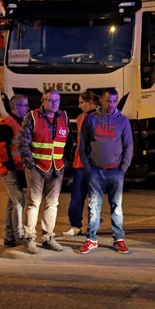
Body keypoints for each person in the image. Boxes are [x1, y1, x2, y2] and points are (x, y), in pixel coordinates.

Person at [78, 87, 133, 254]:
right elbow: (82, 144)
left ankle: (118, 239)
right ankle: (92, 239)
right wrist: (88, 167)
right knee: (94, 206)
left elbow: (129, 145)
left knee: (117, 207)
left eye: (114, 101)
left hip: (115, 171)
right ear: (101, 101)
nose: (111, 104)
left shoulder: (123, 121)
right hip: (96, 171)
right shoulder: (91, 119)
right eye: (108, 100)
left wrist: (122, 168)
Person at [18, 89, 70, 254]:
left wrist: (64, 162)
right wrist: (31, 164)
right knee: (34, 203)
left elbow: (69, 142)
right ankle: (30, 238)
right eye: (50, 100)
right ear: (43, 101)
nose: (54, 104)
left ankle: (48, 237)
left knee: (52, 204)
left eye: (57, 101)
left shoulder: (63, 117)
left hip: (57, 168)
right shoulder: (32, 117)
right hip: (37, 167)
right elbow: (23, 143)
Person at [63, 91, 98, 237]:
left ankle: (92, 227)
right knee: (77, 198)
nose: (79, 105)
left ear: (90, 102)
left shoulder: (100, 118)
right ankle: (75, 226)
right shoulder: (80, 117)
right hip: (79, 165)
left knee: (94, 199)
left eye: (82, 102)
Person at [0, 94, 29, 247]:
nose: (27, 108)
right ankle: (18, 237)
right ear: (16, 107)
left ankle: (9, 237)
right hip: (10, 169)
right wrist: (10, 167)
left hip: (17, 168)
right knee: (18, 200)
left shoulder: (19, 123)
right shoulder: (6, 124)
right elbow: (2, 149)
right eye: (25, 105)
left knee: (12, 203)